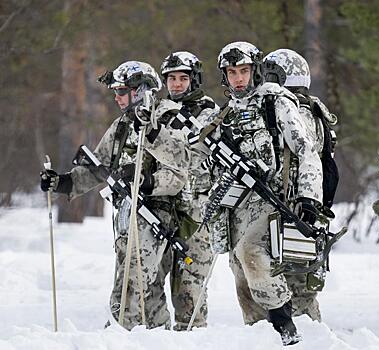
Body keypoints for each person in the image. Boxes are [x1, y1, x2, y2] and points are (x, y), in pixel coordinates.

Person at [40, 61, 189, 330]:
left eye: (122, 91)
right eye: (116, 92)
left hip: (157, 213)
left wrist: (146, 182)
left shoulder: (167, 119)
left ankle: (119, 334)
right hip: (125, 212)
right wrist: (63, 183)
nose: (117, 98)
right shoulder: (122, 125)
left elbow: (180, 171)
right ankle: (159, 339)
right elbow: (98, 167)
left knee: (134, 278)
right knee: (145, 285)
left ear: (141, 90)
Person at [212, 41, 323, 345]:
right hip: (236, 207)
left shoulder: (275, 101)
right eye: (232, 72)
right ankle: (258, 338)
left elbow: (306, 150)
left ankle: (285, 325)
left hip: (275, 201)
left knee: (251, 253)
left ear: (255, 70)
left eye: (244, 71)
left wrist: (309, 199)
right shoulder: (226, 114)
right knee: (241, 272)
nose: (238, 78)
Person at [159, 51, 219, 330]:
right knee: (153, 276)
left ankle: (192, 335)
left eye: (183, 78)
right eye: (172, 78)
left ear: (194, 79)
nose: (177, 84)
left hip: (198, 208)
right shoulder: (157, 111)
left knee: (190, 283)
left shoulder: (210, 113)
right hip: (161, 205)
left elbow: (197, 155)